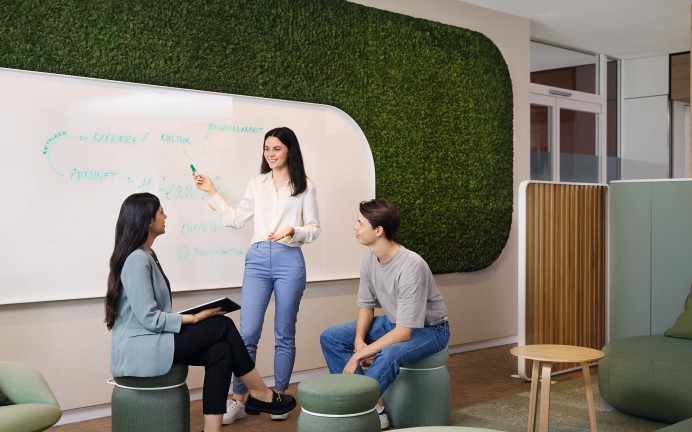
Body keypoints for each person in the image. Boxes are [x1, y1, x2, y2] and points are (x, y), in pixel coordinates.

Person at [105, 192, 296, 432]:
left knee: (221, 351)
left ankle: (212, 429)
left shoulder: (147, 255)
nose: (166, 216)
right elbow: (149, 318)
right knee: (222, 325)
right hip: (140, 348)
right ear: (147, 221)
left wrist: (194, 318)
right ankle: (260, 392)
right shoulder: (136, 259)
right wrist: (196, 317)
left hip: (152, 340)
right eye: (161, 212)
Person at [192, 126, 320, 424]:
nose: (271, 154)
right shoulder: (257, 183)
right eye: (266, 149)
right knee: (247, 333)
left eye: (276, 148)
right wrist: (211, 191)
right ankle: (238, 399)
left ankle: (278, 398)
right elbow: (237, 219)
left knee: (284, 331)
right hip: (258, 259)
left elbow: (314, 228)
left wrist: (294, 230)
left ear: (290, 150)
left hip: (290, 259)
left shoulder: (305, 186)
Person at [319, 199, 450, 430]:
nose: (354, 227)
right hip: (394, 323)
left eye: (360, 223)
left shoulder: (411, 266)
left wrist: (357, 356)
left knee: (388, 354)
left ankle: (354, 407)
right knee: (331, 336)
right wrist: (359, 340)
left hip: (430, 330)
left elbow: (405, 332)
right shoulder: (369, 259)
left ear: (378, 230)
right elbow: (366, 306)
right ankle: (371, 407)